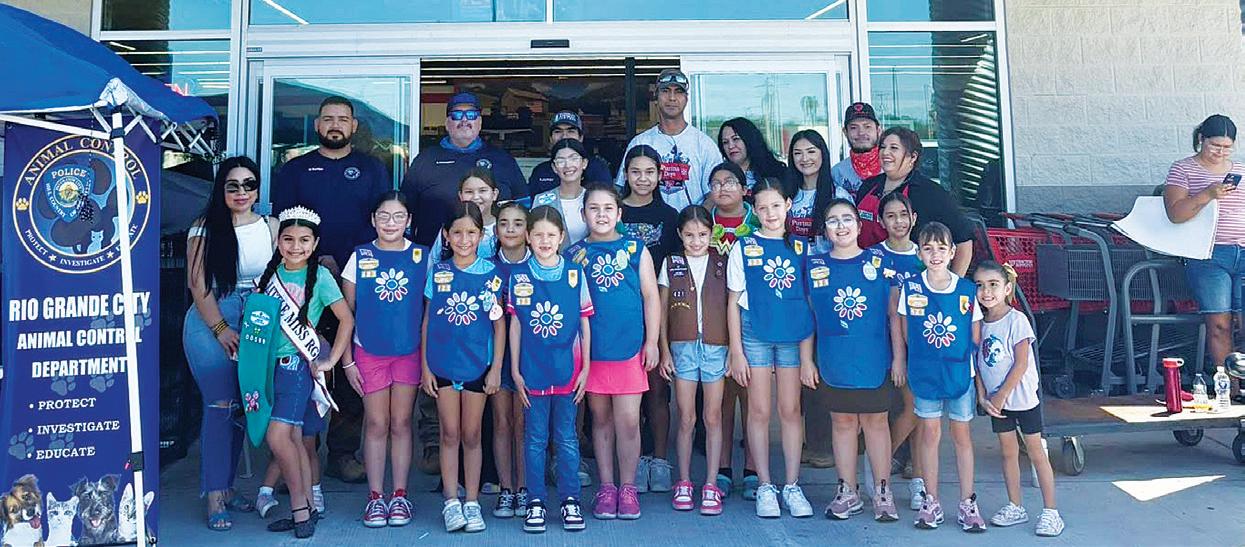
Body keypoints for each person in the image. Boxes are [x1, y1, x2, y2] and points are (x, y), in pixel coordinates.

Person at [272, 95, 390, 483]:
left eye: (343, 119)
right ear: (317, 125)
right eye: (328, 118)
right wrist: (316, 258)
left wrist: (352, 263)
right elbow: (284, 224)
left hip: (358, 278)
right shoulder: (295, 169)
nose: (335, 125)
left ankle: (342, 452)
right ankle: (301, 452)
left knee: (347, 362)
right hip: (304, 281)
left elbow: (381, 222)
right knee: (300, 360)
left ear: (354, 126)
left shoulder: (372, 169)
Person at [183, 156, 272, 530]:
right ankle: (215, 494)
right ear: (221, 189)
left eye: (249, 184)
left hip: (258, 319)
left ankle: (229, 486)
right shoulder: (204, 228)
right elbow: (198, 284)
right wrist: (221, 329)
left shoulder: (270, 225)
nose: (241, 192)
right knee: (220, 405)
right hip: (214, 318)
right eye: (232, 185)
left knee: (242, 407)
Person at [256, 206, 355, 539]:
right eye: (288, 239)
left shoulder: (322, 277)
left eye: (303, 240)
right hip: (270, 369)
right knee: (295, 439)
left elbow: (346, 319)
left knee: (278, 437)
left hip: (297, 368)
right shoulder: (269, 275)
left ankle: (299, 508)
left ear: (314, 244)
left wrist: (331, 361)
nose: (295, 246)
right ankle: (307, 509)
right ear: (278, 242)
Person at [566, 185, 662, 521]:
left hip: (629, 347)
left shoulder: (635, 249)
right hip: (592, 352)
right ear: (583, 215)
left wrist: (652, 342)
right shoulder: (574, 254)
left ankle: (628, 486)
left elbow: (651, 296)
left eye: (608, 208)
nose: (601, 214)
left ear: (619, 214)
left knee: (629, 421)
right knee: (601, 419)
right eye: (594, 208)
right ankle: (607, 487)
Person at [805, 199, 901, 522]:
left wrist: (899, 359)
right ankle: (847, 490)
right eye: (833, 220)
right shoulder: (814, 266)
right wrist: (807, 360)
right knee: (842, 422)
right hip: (834, 359)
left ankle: (882, 491)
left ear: (859, 226)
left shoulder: (880, 262)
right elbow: (809, 318)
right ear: (825, 230)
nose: (841, 226)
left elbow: (894, 315)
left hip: (874, 357)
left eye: (847, 219)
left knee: (876, 422)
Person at [726, 178, 816, 519]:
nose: (770, 213)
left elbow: (809, 303)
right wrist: (736, 350)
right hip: (755, 333)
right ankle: (764, 484)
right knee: (759, 410)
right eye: (762, 208)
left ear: (788, 205)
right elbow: (733, 302)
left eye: (776, 205)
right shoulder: (744, 246)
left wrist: (807, 357)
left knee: (790, 410)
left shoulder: (802, 248)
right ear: (754, 210)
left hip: (793, 335)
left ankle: (792, 484)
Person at [339, 192, 429, 528]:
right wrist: (347, 361)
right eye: (384, 216)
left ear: (409, 220)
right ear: (372, 219)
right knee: (376, 424)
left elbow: (429, 313)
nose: (391, 223)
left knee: (401, 423)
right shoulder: (359, 256)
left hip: (409, 352)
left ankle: (400, 495)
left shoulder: (422, 256)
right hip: (368, 352)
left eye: (398, 216)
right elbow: (346, 316)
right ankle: (376, 497)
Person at [421, 201, 507, 534]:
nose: (464, 239)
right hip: (442, 365)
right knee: (449, 433)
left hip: (477, 366)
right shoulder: (438, 272)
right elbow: (428, 321)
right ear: (446, 235)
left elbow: (499, 324)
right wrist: (425, 367)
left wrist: (495, 368)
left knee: (471, 435)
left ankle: (471, 501)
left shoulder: (491, 273)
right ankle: (451, 501)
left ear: (481, 235)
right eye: (457, 232)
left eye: (471, 232)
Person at [509, 206, 594, 534]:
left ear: (561, 238)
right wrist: (515, 370)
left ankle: (570, 500)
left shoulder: (574, 273)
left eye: (551, 235)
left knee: (567, 437)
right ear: (528, 237)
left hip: (568, 369)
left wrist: (586, 367)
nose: (545, 241)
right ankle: (536, 501)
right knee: (534, 438)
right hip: (532, 369)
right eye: (538, 234)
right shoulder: (519, 275)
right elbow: (516, 324)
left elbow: (584, 322)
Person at [897, 222, 985, 532]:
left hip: (959, 373)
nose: (935, 254)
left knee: (962, 436)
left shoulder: (966, 290)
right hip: (926, 373)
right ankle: (930, 500)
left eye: (941, 248)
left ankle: (967, 502)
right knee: (929, 434)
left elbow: (975, 335)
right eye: (928, 248)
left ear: (952, 252)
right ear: (920, 253)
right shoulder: (911, 288)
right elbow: (906, 333)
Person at [973, 261, 1064, 537]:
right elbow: (978, 364)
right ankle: (1015, 505)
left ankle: (1051, 511)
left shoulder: (1017, 320)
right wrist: (983, 396)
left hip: (1021, 400)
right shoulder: (978, 325)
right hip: (996, 404)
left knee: (1036, 452)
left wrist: (1001, 394)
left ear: (1007, 288)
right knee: (1008, 452)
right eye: (980, 285)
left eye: (993, 285)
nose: (986, 291)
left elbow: (1021, 363)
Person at [1163, 114, 1245, 395]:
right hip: (1208, 254)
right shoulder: (1183, 169)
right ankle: (1229, 388)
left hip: (1242, 249)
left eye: (1226, 148)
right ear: (1201, 139)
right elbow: (1175, 213)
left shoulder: (1241, 170)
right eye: (1215, 146)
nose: (1220, 152)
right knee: (1219, 323)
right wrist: (1207, 194)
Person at [657, 206, 728, 516]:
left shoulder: (723, 262)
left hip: (716, 346)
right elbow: (661, 312)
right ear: (679, 235)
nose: (696, 241)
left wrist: (734, 349)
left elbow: (733, 307)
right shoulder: (670, 263)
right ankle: (684, 481)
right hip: (682, 346)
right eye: (689, 235)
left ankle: (711, 483)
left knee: (713, 417)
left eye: (702, 234)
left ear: (712, 233)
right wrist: (663, 350)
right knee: (686, 417)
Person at [619, 145, 679, 487]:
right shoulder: (615, 211)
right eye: (636, 172)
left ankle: (659, 459)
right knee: (628, 393)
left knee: (657, 388)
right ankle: (635, 459)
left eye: (650, 172)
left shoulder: (669, 216)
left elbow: (674, 269)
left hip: (657, 310)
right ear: (626, 174)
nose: (642, 179)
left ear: (660, 176)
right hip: (620, 313)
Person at [402, 91, 528, 248]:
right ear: (447, 123)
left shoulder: (503, 160)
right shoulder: (425, 160)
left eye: (471, 115)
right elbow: (405, 211)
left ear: (479, 122)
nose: (464, 120)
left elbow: (523, 207)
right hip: (435, 254)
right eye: (457, 115)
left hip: (494, 255)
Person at [705, 162, 761, 500]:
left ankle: (753, 468)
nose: (723, 188)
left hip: (753, 317)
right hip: (712, 315)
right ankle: (723, 468)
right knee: (721, 397)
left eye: (730, 182)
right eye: (716, 183)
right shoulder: (701, 222)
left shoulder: (758, 222)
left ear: (744, 188)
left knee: (752, 396)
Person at [856, 127, 974, 275]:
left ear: (912, 157)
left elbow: (964, 240)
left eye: (894, 148)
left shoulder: (930, 193)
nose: (885, 153)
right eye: (883, 147)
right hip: (867, 274)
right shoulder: (868, 186)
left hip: (913, 279)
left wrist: (953, 283)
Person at [872, 191, 927, 501]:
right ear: (881, 221)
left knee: (918, 409)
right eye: (891, 216)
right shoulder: (872, 256)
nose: (898, 222)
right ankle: (878, 467)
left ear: (913, 218)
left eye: (903, 215)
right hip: (879, 341)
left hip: (918, 343)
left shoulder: (925, 255)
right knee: (877, 412)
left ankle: (917, 478)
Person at [615, 69, 723, 211]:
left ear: (686, 98)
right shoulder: (640, 142)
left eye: (678, 92)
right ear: (656, 96)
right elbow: (620, 189)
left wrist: (696, 220)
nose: (672, 98)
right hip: (647, 223)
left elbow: (715, 194)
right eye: (665, 91)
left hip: (692, 224)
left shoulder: (704, 144)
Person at [491, 201, 532, 520]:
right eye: (504, 223)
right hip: (496, 356)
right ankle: (506, 488)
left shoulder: (540, 265)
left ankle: (525, 487)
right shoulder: (487, 268)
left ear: (528, 231)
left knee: (524, 424)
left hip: (531, 357)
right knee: (502, 421)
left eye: (518, 223)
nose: (510, 229)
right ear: (495, 230)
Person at [784, 129, 850, 246]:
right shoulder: (784, 194)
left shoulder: (839, 195)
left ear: (822, 154)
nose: (805, 159)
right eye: (798, 153)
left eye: (811, 152)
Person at [528, 111, 613, 196]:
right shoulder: (541, 171)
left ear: (581, 137)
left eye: (571, 131)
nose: (564, 136)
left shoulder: (598, 169)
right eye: (558, 131)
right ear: (550, 138)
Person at [430, 168, 501, 268]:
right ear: (460, 195)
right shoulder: (450, 228)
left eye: (482, 191)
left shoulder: (503, 228)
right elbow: (433, 263)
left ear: (494, 194)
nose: (476, 197)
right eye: (469, 192)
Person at [532, 139, 593, 246]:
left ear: (584, 163)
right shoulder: (542, 200)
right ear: (554, 167)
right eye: (560, 160)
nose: (567, 165)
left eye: (573, 159)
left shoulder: (595, 198)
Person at [717, 117, 785, 196]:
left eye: (736, 139)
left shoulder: (776, 171)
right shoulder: (721, 176)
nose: (730, 146)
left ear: (749, 140)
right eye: (725, 142)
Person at [831, 102, 884, 198]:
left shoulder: (891, 167)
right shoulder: (837, 173)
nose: (861, 133)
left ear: (878, 130)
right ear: (845, 132)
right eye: (854, 128)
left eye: (867, 127)